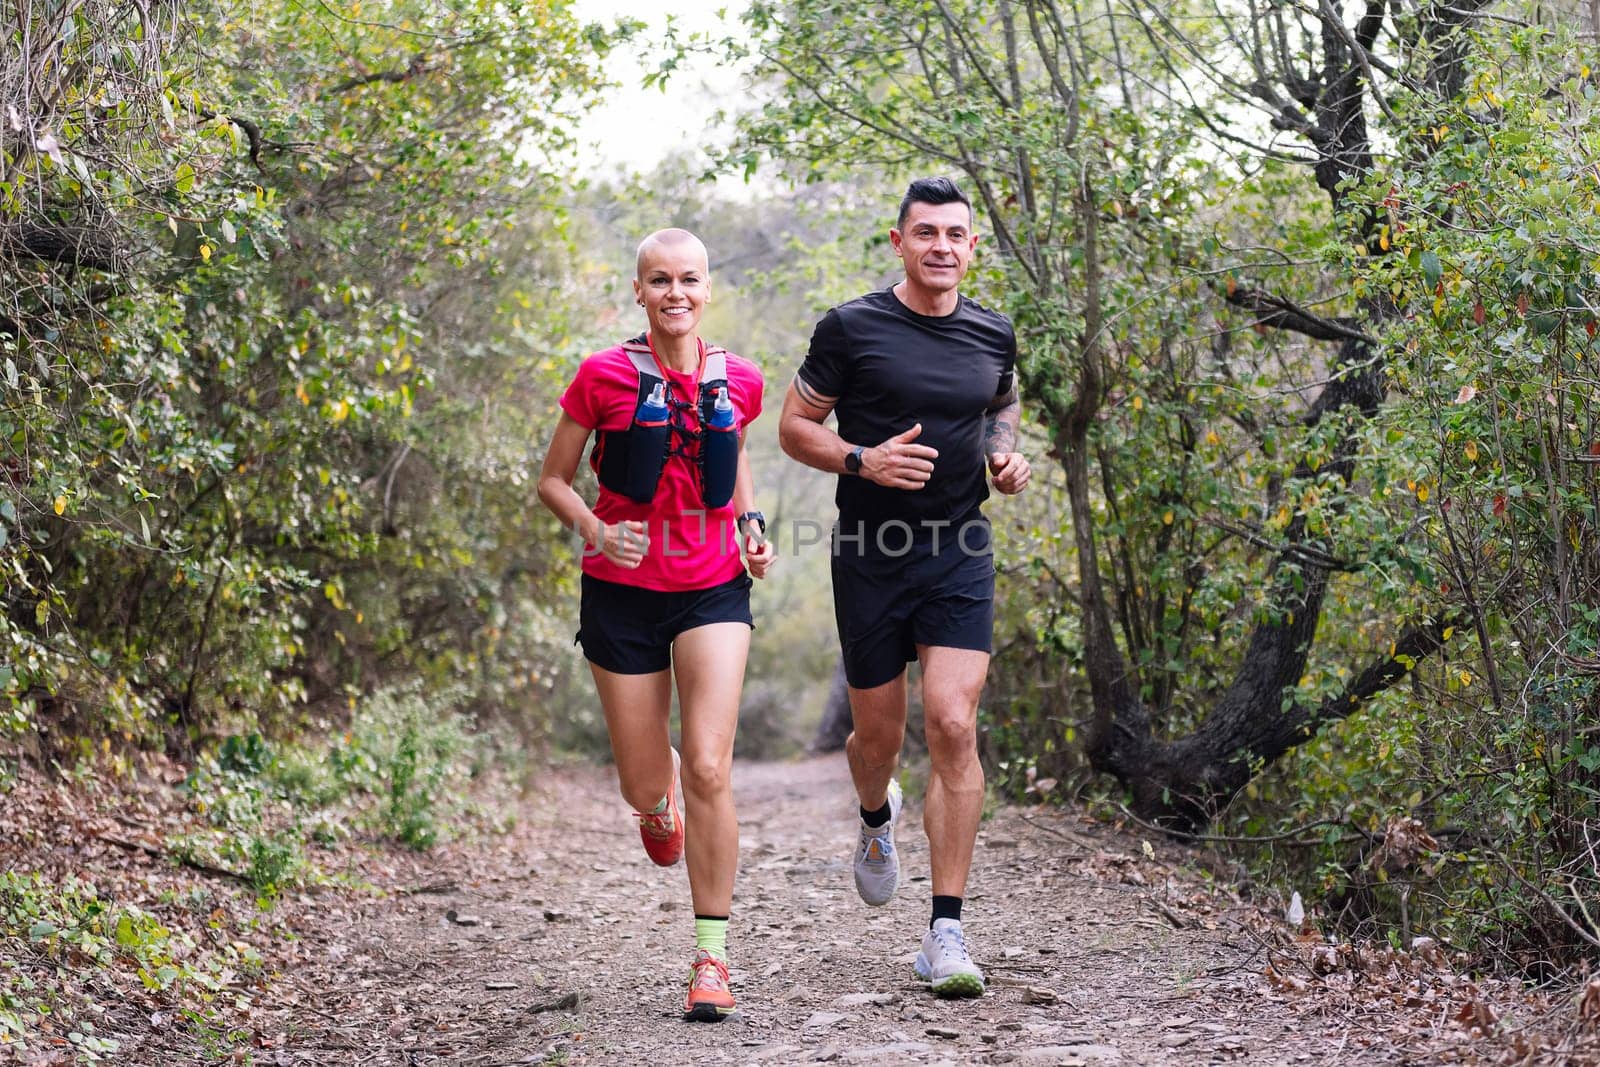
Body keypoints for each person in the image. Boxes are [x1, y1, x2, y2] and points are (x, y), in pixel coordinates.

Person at [778, 177, 1030, 999]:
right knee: (877, 740)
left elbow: (1004, 403)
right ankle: (876, 817)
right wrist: (863, 459)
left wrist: (1003, 455)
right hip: (870, 550)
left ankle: (945, 932)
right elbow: (794, 427)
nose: (942, 247)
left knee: (954, 722)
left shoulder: (994, 331)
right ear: (899, 242)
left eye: (956, 234)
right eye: (926, 233)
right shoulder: (852, 328)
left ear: (972, 246)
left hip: (959, 546)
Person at [537, 228, 773, 1022]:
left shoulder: (739, 378)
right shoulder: (602, 375)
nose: (677, 293)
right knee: (649, 781)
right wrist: (599, 532)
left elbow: (730, 453)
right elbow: (552, 481)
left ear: (710, 289)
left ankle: (712, 957)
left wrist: (750, 524)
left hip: (712, 586)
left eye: (691, 280)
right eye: (661, 280)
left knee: (710, 764)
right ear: (638, 291)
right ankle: (656, 800)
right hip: (621, 592)